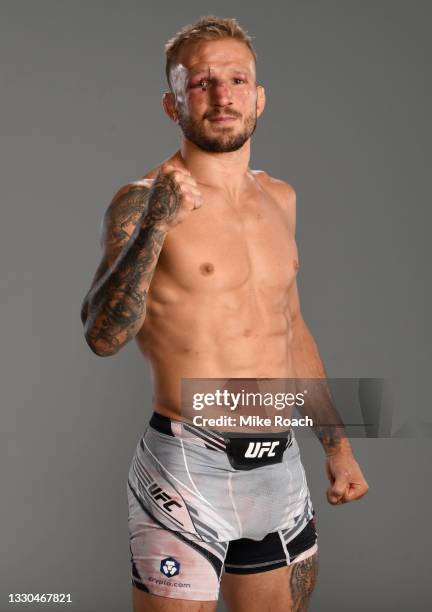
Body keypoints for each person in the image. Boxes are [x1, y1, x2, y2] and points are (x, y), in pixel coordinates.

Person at [80, 15, 369, 612]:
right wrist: (158, 222)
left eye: (237, 80)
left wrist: (336, 448)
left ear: (259, 97)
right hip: (189, 465)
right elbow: (101, 336)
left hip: (279, 463)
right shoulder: (141, 199)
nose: (222, 95)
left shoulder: (280, 197)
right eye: (202, 82)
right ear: (173, 103)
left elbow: (291, 326)